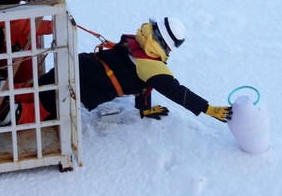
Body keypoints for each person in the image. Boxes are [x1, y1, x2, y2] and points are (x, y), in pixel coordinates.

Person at [41, 16, 232, 123]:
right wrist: (207, 108)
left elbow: (143, 82)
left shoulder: (139, 40)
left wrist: (144, 108)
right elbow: (176, 91)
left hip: (79, 65)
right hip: (87, 85)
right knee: (40, 110)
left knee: (37, 89)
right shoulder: (151, 65)